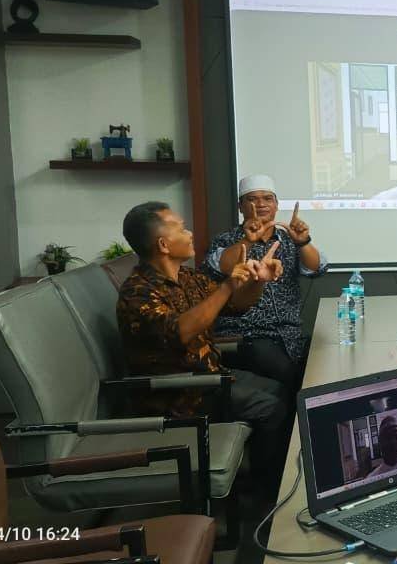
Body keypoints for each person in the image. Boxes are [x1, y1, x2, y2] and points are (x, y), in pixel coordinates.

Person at [116, 201, 291, 492]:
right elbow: (180, 332)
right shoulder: (138, 292)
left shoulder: (186, 277)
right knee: (271, 408)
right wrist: (227, 285)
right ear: (163, 244)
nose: (190, 233)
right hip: (179, 394)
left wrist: (259, 281)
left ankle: (263, 475)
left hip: (210, 377)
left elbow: (236, 304)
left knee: (282, 389)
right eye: (181, 228)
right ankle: (264, 493)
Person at [205, 174, 327, 391]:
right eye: (252, 199)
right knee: (297, 381)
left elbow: (316, 268)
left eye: (267, 198)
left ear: (277, 205)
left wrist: (303, 242)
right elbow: (222, 265)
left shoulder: (288, 239)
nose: (260, 204)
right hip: (246, 335)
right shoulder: (225, 240)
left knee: (323, 368)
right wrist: (248, 240)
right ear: (240, 206)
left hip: (289, 335)